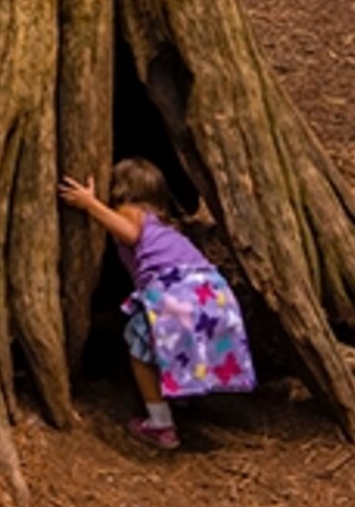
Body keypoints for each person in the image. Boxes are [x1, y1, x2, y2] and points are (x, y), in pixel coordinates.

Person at [60, 159, 255, 450]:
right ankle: (185, 395)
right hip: (211, 291)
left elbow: (128, 232)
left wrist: (90, 204)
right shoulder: (165, 226)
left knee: (139, 349)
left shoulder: (132, 212)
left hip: (176, 292)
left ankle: (161, 426)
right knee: (180, 344)